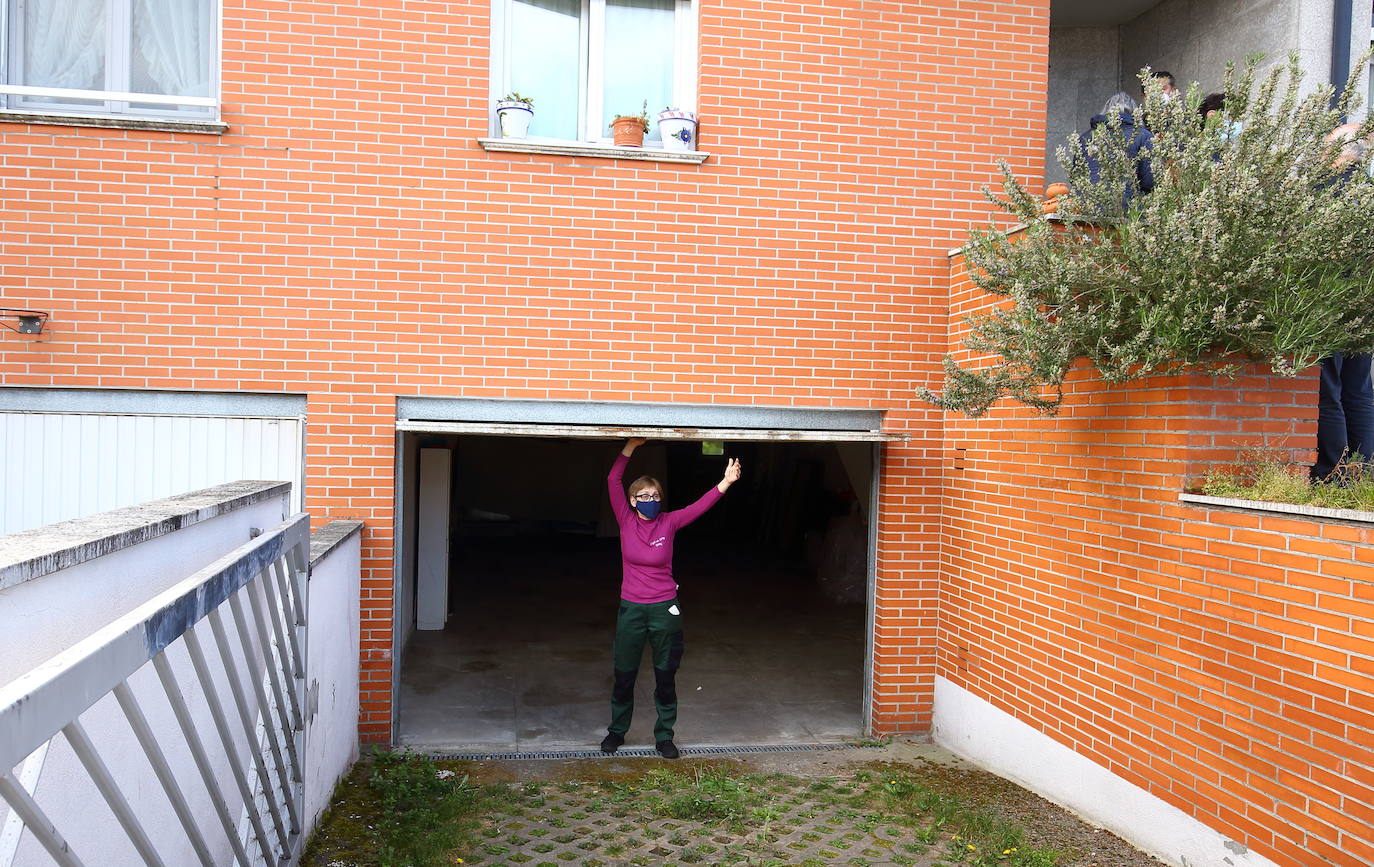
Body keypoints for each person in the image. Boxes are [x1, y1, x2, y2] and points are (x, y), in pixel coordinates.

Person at [601, 437, 741, 758]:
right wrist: (631, 447)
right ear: (633, 501)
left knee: (665, 675)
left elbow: (700, 505)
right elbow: (612, 479)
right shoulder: (625, 520)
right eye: (643, 496)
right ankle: (616, 732)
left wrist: (726, 482)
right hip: (632, 609)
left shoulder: (669, 522)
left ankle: (664, 736)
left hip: (665, 608)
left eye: (655, 495)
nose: (650, 499)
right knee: (625, 673)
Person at [1312, 124, 1374, 482]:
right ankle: (1362, 471)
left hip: (1330, 299)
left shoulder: (1323, 192)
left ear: (1338, 154)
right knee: (1359, 390)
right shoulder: (1368, 191)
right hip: (1365, 305)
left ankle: (1332, 472)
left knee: (1329, 388)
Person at [1077, 92, 1154, 211]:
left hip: (1087, 208)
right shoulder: (1143, 135)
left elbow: (1076, 176)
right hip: (1126, 211)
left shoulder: (1085, 137)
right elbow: (1149, 181)